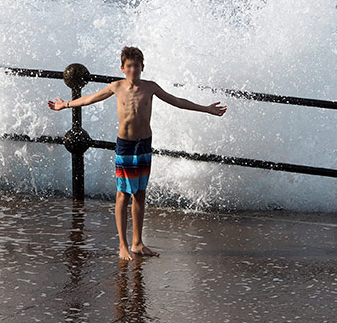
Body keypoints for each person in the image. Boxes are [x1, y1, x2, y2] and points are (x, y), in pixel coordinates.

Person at [48, 46, 227, 261]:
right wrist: (65, 104)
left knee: (140, 194)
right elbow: (90, 99)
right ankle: (123, 244)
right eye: (130, 66)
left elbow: (177, 101)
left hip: (144, 144)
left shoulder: (150, 88)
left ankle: (138, 243)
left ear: (142, 67)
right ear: (123, 68)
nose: (133, 69)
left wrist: (206, 108)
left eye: (137, 66)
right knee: (123, 195)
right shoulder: (116, 87)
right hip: (125, 145)